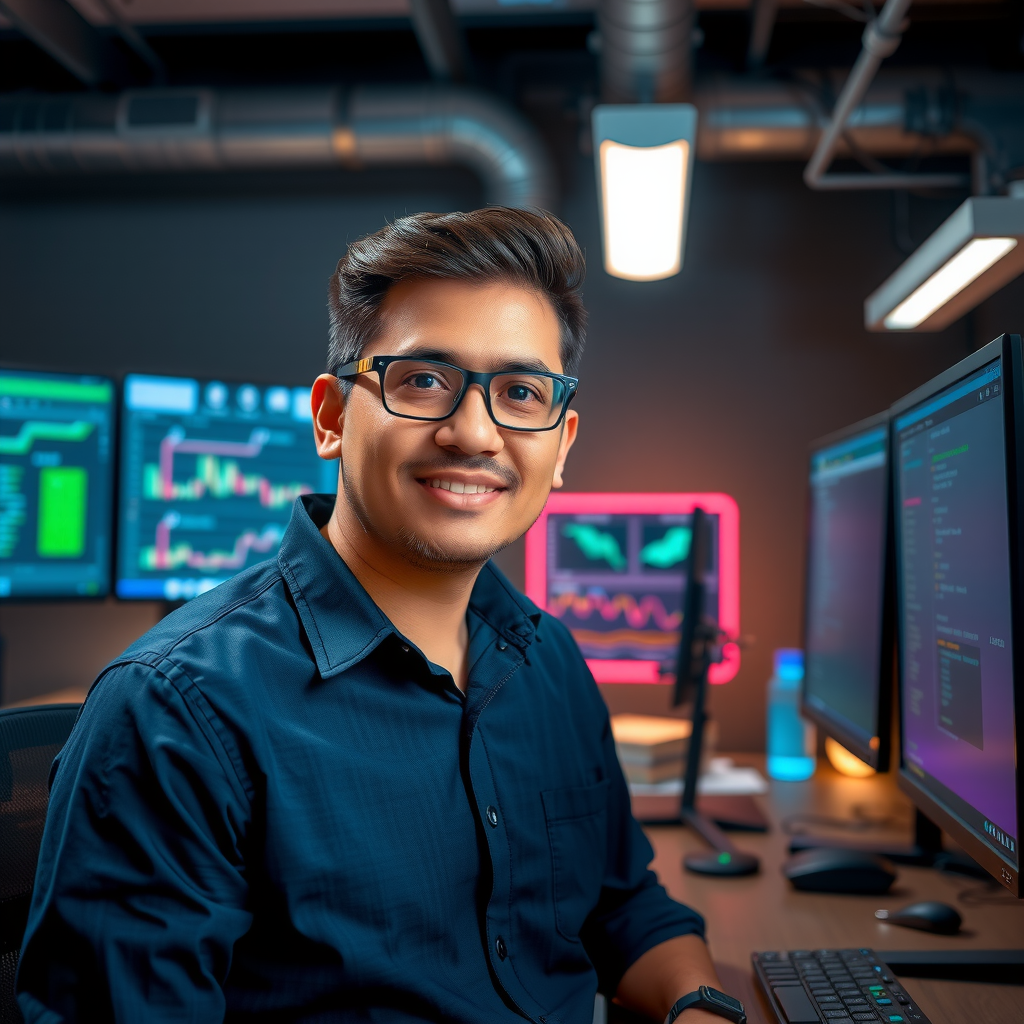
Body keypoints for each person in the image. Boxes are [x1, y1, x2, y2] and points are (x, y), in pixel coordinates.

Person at [18, 208, 741, 1024]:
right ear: (331, 417)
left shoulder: (551, 664)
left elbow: (622, 907)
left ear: (561, 442)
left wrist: (699, 1005)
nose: (474, 432)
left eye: (521, 393)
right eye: (424, 380)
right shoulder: (174, 711)